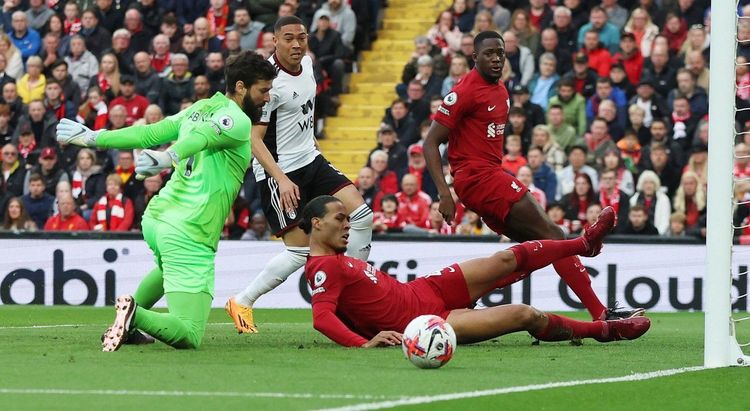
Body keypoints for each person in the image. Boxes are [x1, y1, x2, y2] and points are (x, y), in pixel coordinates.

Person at [56, 50, 276, 351]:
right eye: (263, 90)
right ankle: (134, 313)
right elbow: (201, 139)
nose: (267, 97)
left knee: (165, 270)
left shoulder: (199, 107)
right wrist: (167, 156)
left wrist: (95, 138)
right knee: (188, 333)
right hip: (190, 229)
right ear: (241, 87)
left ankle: (127, 326)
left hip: (158, 218)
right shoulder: (236, 120)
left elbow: (150, 132)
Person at [425, 31, 642, 322]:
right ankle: (599, 305)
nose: (496, 59)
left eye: (500, 53)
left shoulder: (501, 91)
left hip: (487, 177)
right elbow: (430, 142)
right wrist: (443, 193)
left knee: (537, 251)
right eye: (489, 53)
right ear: (474, 57)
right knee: (554, 236)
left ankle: (462, 300)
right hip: (479, 179)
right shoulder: (463, 91)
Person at [302, 195, 650, 348]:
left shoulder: (335, 258)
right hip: (430, 322)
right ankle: (604, 330)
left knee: (503, 261)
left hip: (427, 289)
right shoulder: (322, 266)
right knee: (524, 314)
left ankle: (582, 245)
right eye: (340, 220)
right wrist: (363, 345)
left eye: (348, 219)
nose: (348, 226)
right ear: (317, 224)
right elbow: (322, 318)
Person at [225, 17, 374, 334]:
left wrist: (314, 145)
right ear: (275, 40)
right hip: (279, 171)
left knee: (361, 215)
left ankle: (359, 295)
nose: (296, 44)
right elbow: (254, 139)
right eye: (288, 38)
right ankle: (242, 301)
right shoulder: (268, 81)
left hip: (311, 159)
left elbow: (306, 110)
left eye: (301, 37)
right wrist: (280, 178)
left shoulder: (308, 63)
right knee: (300, 252)